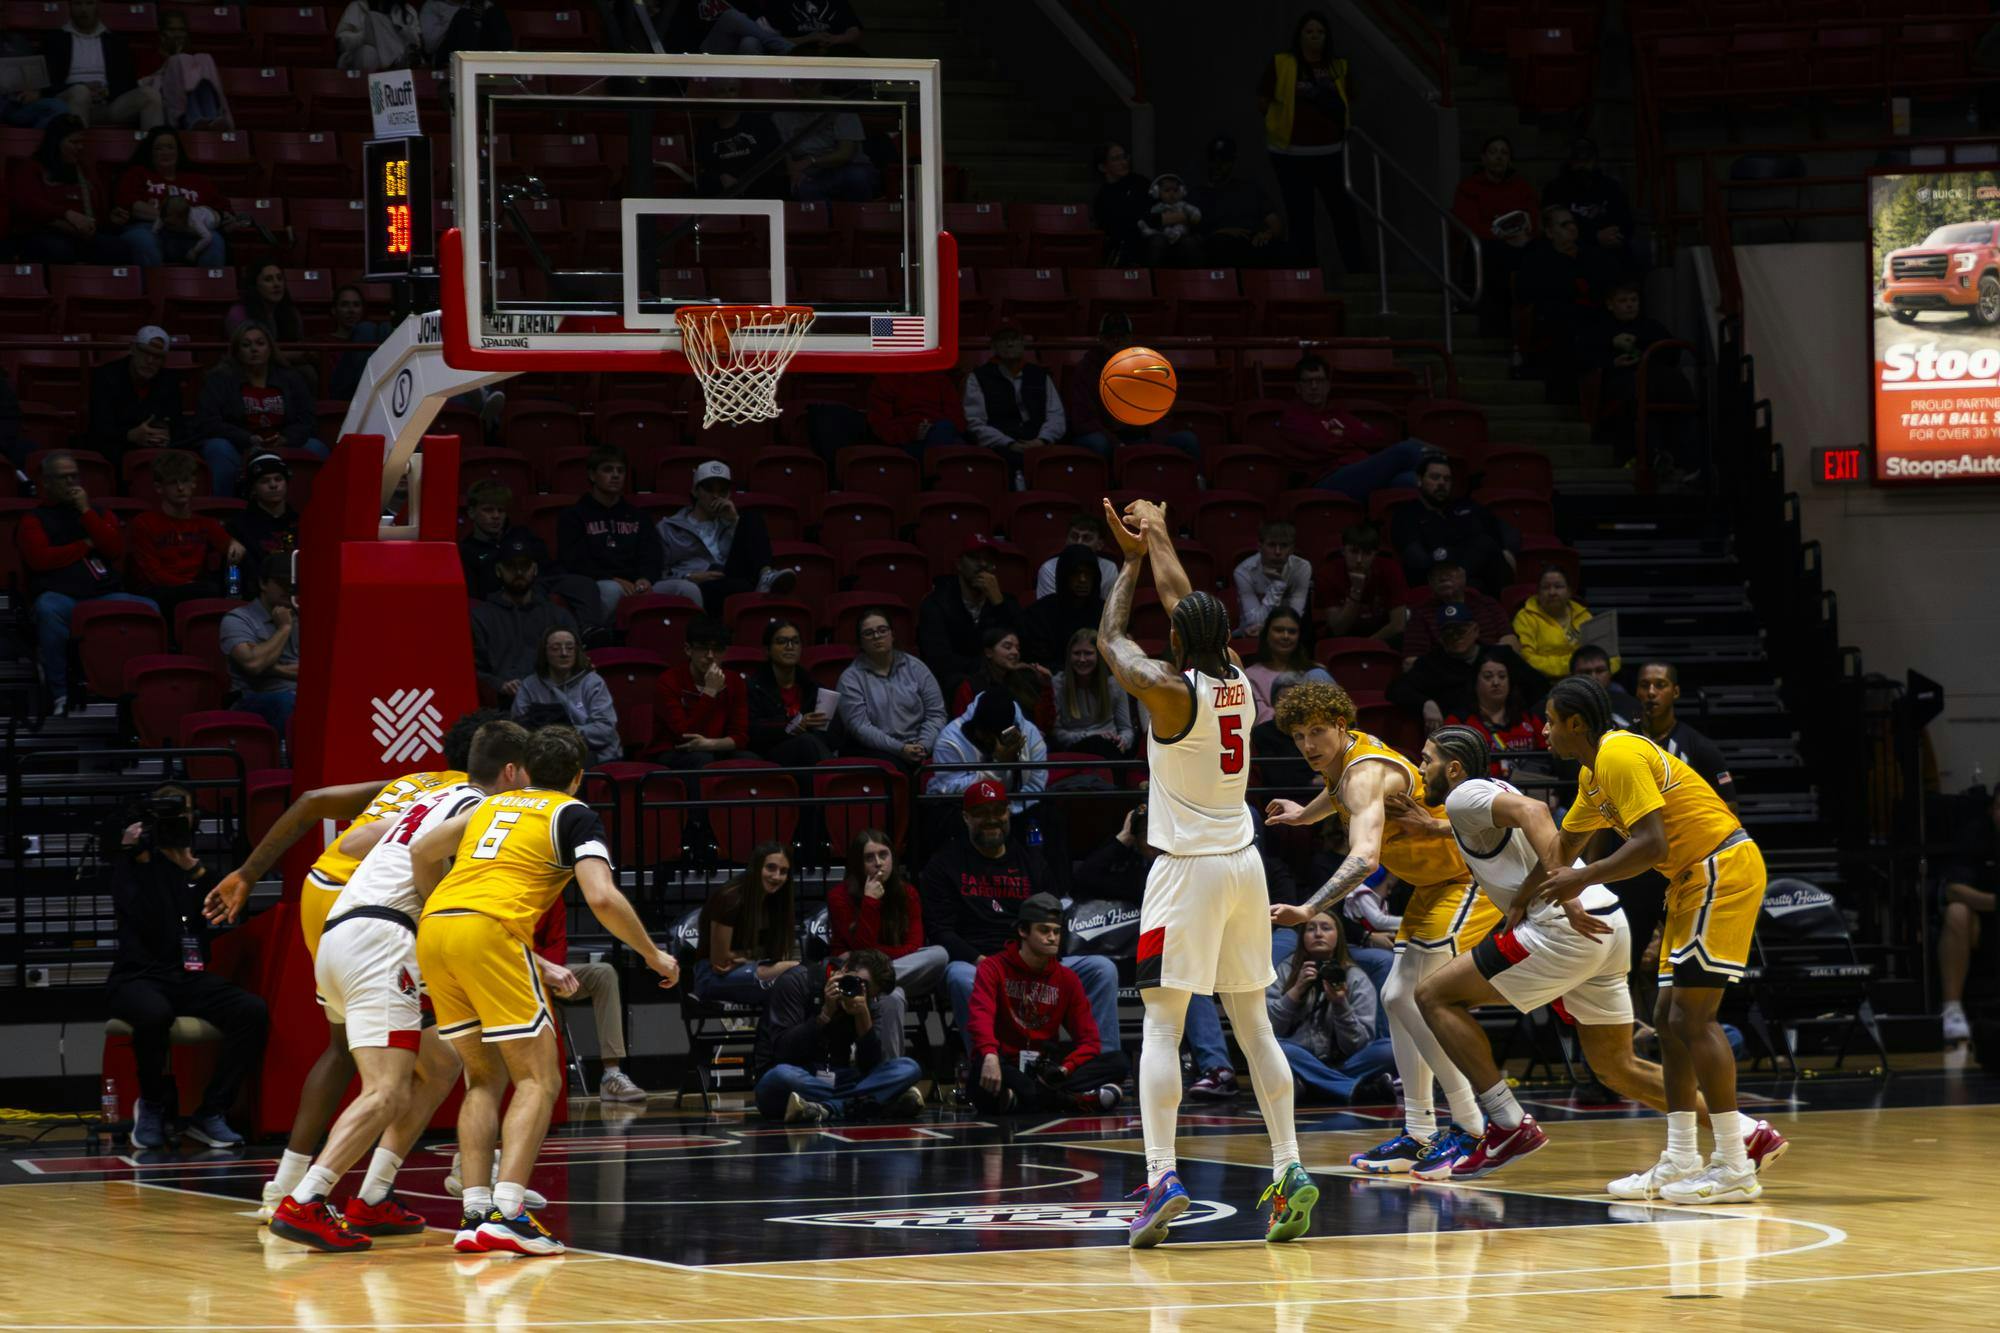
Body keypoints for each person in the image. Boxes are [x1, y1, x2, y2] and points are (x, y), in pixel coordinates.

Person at [1407, 727, 1787, 1183]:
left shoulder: (1463, 794)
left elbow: (1535, 812)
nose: (1418, 766)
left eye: (1425, 758)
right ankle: (1744, 1134)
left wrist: (1566, 894)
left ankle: (1506, 1123)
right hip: (1608, 920)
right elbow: (1530, 827)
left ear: (1453, 768)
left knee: (1433, 996)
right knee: (1615, 1065)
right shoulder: (1484, 795)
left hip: (1565, 924)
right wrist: (1433, 828)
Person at [1095, 496, 1316, 1248]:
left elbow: (1110, 637)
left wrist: (1126, 560)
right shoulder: (1239, 689)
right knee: (1253, 1026)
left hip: (1184, 869)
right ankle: (1289, 1171)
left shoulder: (1165, 688)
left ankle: (1161, 1174)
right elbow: (1183, 601)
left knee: (1164, 1022)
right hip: (1245, 866)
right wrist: (1157, 530)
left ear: (1179, 639)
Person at [197, 712, 501, 1219]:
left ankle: (291, 1186)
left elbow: (312, 803)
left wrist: (249, 873)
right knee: (452, 1034)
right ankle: (464, 1172)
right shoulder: (473, 800)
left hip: (327, 889)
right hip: (380, 906)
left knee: (354, 1047)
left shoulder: (414, 784)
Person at [410, 726, 680, 1256]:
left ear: (525, 769)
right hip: (489, 930)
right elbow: (601, 898)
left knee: (483, 1078)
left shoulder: (493, 804)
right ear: (578, 776)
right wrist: (652, 954)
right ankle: (509, 1213)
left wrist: (440, 905)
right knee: (538, 1077)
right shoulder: (573, 814)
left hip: (436, 928)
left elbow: (423, 849)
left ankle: (474, 1213)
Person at [269, 721, 533, 1251]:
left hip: (341, 929)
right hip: (383, 940)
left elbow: (361, 838)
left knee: (439, 1065)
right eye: (527, 774)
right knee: (385, 1089)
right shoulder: (483, 811)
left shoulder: (436, 795)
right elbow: (421, 861)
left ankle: (371, 1196)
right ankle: (304, 1200)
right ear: (511, 771)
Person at [1537, 675, 1777, 1204]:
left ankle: (1735, 1164)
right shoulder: (1592, 776)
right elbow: (1561, 846)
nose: (1546, 732)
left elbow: (1650, 844)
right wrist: (1519, 896)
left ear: (1576, 723)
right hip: (1690, 877)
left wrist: (1582, 878)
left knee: (1693, 1019)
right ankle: (1681, 1157)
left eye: (1552, 722)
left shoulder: (1619, 754)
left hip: (1720, 865)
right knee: (1669, 1020)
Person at [1266, 678, 1500, 1177]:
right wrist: (1305, 816)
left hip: (1465, 879)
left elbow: (1365, 856)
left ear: (1340, 726)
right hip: (1431, 886)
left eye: (1317, 732)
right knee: (1397, 998)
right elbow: (1339, 795)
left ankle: (1474, 1127)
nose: (1308, 745)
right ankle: (1419, 1132)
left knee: (1424, 1000)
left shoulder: (1364, 774)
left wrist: (1308, 910)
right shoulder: (1344, 765)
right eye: (1299, 735)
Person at [105, 786, 267, 1151]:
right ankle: (152, 1103)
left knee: (251, 1011)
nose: (181, 820)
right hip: (137, 976)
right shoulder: (132, 864)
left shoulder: (193, 868)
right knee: (154, 1013)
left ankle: (211, 1112)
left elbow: (218, 912)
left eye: (186, 813)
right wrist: (139, 856)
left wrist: (191, 869)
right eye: (172, 815)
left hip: (186, 976)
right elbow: (138, 913)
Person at [924, 780, 1120, 1052]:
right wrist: (983, 962)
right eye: (982, 812)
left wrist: (1037, 960)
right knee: (959, 976)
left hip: (1032, 961)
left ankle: (1101, 1065)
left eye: (998, 810)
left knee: (1101, 969)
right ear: (966, 817)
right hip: (978, 962)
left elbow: (1053, 915)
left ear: (1009, 812)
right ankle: (986, 1064)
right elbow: (940, 930)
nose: (992, 819)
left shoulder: (1031, 861)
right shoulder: (945, 864)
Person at [965, 893, 1132, 1114]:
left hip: (1046, 1070)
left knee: (1118, 1062)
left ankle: (1021, 1100)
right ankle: (1074, 1101)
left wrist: (1064, 1069)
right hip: (1005, 1064)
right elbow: (980, 1018)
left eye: (1056, 931)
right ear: (1023, 931)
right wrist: (989, 1054)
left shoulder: (1067, 978)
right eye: (1043, 930)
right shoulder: (993, 968)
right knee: (980, 1074)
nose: (1052, 937)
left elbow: (1090, 1040)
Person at [22, 451, 155, 715]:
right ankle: (61, 693)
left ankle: (140, 694)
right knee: (48, 609)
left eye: (74, 476)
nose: (71, 483)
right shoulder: (33, 519)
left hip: (102, 595)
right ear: (46, 482)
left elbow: (113, 548)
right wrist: (84, 545)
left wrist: (85, 512)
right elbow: (41, 559)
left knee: (149, 609)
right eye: (63, 477)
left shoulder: (97, 513)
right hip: (61, 596)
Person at [754, 948, 925, 1123]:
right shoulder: (797, 981)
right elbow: (783, 1052)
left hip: (839, 1077)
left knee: (909, 1067)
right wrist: (824, 1015)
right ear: (843, 970)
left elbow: (871, 1067)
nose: (859, 991)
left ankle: (828, 1108)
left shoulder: (866, 1001)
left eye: (868, 992)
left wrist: (863, 1018)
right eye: (858, 983)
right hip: (798, 1076)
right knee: (780, 1076)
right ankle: (868, 1101)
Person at [1257, 10, 1360, 270]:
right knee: (1300, 217)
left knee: (1344, 214)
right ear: (1299, 35)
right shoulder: (1282, 63)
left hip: (1331, 152)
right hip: (1290, 154)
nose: (1315, 37)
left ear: (1327, 36)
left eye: (1320, 32)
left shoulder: (1339, 66)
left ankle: (1358, 271)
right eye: (1309, 31)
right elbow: (1263, 101)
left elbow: (1350, 100)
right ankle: (1307, 274)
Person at [1268, 909, 1396, 1104]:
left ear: (1338, 937)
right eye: (1311, 929)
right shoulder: (1286, 971)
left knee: (1390, 1049)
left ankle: (1314, 1085)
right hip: (1300, 1057)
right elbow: (1270, 1029)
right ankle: (1354, 1089)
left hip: (1343, 1061)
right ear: (1303, 937)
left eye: (1326, 928)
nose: (1318, 933)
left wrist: (1340, 1004)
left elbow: (1358, 1045)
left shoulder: (1355, 978)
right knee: (1274, 1047)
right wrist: (1296, 991)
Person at [531, 895, 649, 1103]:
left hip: (547, 971)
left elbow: (557, 942)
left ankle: (611, 1074)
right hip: (511, 972)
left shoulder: (551, 893)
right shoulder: (502, 890)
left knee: (603, 974)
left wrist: (554, 975)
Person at [1580, 281, 1701, 476]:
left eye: (1634, 300)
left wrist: (1642, 345)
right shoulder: (1599, 328)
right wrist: (1612, 361)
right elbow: (1585, 357)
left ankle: (1688, 459)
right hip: (1622, 381)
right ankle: (1654, 455)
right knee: (1644, 397)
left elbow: (1672, 354)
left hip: (1658, 381)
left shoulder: (1651, 326)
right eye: (1623, 300)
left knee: (1677, 392)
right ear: (1610, 304)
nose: (1630, 305)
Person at [193, 320, 326, 497]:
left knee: (317, 448)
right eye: (246, 345)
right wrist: (247, 438)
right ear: (237, 351)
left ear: (270, 348)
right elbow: (208, 421)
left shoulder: (291, 378)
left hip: (282, 441)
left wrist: (286, 438)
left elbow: (307, 419)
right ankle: (225, 511)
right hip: (239, 444)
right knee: (218, 447)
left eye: (260, 343)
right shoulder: (220, 379)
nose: (254, 349)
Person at [829, 829, 949, 1004]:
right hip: (854, 969)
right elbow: (864, 948)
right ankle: (871, 984)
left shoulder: (908, 893)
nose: (878, 863)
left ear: (892, 857)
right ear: (857, 864)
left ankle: (867, 984)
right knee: (893, 996)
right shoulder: (839, 897)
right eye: (869, 858)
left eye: (883, 855)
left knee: (939, 954)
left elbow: (914, 946)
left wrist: (864, 956)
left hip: (888, 969)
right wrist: (870, 901)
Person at [655, 459, 790, 612]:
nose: (716, 496)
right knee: (741, 587)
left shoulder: (730, 522)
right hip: (701, 584)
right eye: (709, 489)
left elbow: (745, 559)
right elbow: (658, 574)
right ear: (695, 491)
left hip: (731, 575)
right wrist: (689, 576)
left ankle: (766, 575)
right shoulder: (668, 528)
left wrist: (734, 521)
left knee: (752, 518)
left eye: (722, 491)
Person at [1062, 313, 1200, 462]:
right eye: (1110, 336)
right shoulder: (1087, 369)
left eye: (1121, 336)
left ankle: (1198, 481)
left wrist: (1154, 440)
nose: (1116, 340)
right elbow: (1084, 420)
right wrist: (1116, 443)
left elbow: (1161, 412)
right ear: (1101, 339)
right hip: (1106, 437)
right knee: (1099, 443)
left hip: (1141, 437)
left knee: (1187, 439)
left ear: (1130, 338)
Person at [124, 450, 244, 620]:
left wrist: (234, 548)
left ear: (194, 483)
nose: (180, 488)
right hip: (159, 590)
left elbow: (232, 548)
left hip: (197, 588)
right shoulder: (144, 522)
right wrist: (188, 585)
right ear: (159, 488)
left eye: (186, 481)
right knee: (208, 590)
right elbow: (153, 573)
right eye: (173, 483)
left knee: (232, 575)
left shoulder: (205, 523)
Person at [460, 480, 600, 624]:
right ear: (471, 512)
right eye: (488, 510)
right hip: (504, 593)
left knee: (584, 584)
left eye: (501, 510)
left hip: (541, 582)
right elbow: (474, 595)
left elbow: (548, 566)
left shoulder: (522, 534)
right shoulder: (467, 550)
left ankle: (591, 632)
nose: (496, 516)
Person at [1515, 205, 1617, 397]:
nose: (1572, 228)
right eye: (1564, 224)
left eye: (1573, 223)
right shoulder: (1538, 260)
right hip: (1559, 325)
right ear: (1550, 232)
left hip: (1594, 319)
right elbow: (1529, 295)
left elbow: (1607, 288)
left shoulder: (1593, 256)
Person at [556, 446, 667, 618]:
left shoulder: (639, 516)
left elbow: (652, 554)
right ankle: (602, 640)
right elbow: (575, 561)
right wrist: (612, 578)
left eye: (620, 470)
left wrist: (646, 578)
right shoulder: (573, 516)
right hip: (598, 582)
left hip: (638, 583)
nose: (615, 475)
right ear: (592, 475)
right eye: (608, 469)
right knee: (611, 589)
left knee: (684, 589)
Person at [10, 114, 134, 263]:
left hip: (80, 236)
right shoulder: (32, 167)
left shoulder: (84, 169)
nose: (80, 147)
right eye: (74, 142)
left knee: (118, 248)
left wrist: (110, 218)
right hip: (44, 233)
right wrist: (66, 214)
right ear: (56, 142)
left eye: (82, 142)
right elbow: (28, 204)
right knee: (58, 250)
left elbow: (95, 216)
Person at [836, 608, 947, 772]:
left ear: (892, 635)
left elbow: (936, 714)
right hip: (876, 750)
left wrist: (924, 745)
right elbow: (860, 727)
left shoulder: (917, 668)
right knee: (898, 768)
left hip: (920, 744)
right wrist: (900, 749)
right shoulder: (850, 679)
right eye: (868, 633)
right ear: (860, 642)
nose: (876, 636)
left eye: (882, 630)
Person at [1451, 135, 1540, 336]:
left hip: (1519, 242)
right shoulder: (1469, 187)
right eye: (1493, 152)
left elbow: (1532, 217)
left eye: (1504, 153)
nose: (1498, 157)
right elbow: (1467, 223)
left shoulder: (1521, 187)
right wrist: (1502, 236)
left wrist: (1524, 235)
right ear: (1483, 158)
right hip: (1487, 246)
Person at [1389, 453, 1517, 592]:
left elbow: (1507, 530)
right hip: (1436, 582)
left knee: (1486, 558)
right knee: (1484, 545)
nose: (1442, 483)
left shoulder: (1463, 507)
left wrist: (1506, 550)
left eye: (1447, 479)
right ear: (1419, 480)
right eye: (1435, 477)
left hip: (1475, 581)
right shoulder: (1407, 514)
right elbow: (1417, 561)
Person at [472, 539, 579, 704]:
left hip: (552, 703)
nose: (519, 571)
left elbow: (576, 662)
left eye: (525, 565)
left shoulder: (558, 616)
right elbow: (472, 669)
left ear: (534, 569)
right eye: (511, 566)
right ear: (498, 570)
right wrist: (500, 685)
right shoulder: (480, 617)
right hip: (500, 706)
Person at [916, 532, 1021, 701]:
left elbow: (1019, 645)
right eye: (974, 558)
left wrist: (999, 605)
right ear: (959, 564)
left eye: (988, 559)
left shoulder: (1006, 602)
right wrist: (990, 667)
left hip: (1001, 682)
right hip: (955, 685)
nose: (983, 564)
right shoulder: (936, 604)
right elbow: (940, 660)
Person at [694, 842, 801, 1005]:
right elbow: (719, 963)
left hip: (756, 968)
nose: (777, 876)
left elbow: (779, 954)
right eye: (770, 868)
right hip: (712, 977)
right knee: (796, 972)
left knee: (797, 981)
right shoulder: (730, 899)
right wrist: (755, 955)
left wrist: (744, 957)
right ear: (756, 868)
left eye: (783, 871)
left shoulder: (778, 903)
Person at [113, 126, 224, 267]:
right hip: (147, 229)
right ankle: (153, 287)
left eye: (170, 147)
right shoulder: (136, 174)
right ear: (150, 153)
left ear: (178, 151)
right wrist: (174, 217)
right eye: (159, 148)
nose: (165, 152)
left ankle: (207, 288)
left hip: (189, 233)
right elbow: (130, 204)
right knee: (144, 241)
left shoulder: (197, 180)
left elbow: (220, 209)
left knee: (214, 240)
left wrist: (220, 216)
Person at [42, 0, 162, 129]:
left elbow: (128, 82)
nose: (83, 9)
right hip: (69, 102)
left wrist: (106, 92)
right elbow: (47, 83)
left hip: (107, 102)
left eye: (89, 3)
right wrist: (83, 87)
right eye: (78, 4)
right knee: (80, 92)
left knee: (150, 95)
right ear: (69, 7)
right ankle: (77, 145)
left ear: (97, 6)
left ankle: (155, 145)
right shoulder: (54, 40)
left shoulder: (116, 42)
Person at [1632, 661, 1736, 810]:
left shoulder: (1701, 747)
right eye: (1644, 685)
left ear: (1675, 692)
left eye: (1660, 685)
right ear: (1637, 691)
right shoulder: (1623, 740)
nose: (1651, 692)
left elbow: (1729, 805)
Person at [1940, 790, 2000, 1044]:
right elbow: (1953, 889)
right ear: (1991, 810)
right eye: (1999, 807)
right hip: (1985, 920)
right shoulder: (1976, 836)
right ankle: (1952, 1010)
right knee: (1956, 912)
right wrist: (1994, 903)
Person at [510, 626, 619, 765]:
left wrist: (566, 734)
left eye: (570, 648)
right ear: (545, 653)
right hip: (542, 754)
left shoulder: (593, 682)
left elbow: (605, 729)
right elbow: (517, 729)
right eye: (555, 648)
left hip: (589, 752)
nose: (564, 653)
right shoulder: (529, 685)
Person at [649, 616, 747, 768]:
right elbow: (685, 735)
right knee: (701, 759)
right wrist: (710, 692)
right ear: (688, 649)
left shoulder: (734, 681)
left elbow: (740, 737)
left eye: (717, 649)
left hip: (714, 747)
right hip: (673, 751)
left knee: (749, 759)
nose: (710, 656)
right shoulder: (668, 681)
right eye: (703, 648)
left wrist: (710, 744)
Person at [963, 327, 1065, 467]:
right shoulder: (978, 377)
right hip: (1001, 443)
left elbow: (1056, 416)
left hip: (1038, 439)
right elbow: (975, 422)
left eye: (1014, 339)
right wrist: (1008, 443)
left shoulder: (1040, 374)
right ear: (993, 345)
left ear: (1023, 343)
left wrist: (1042, 440)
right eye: (1004, 339)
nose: (1010, 344)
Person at [927, 689, 1048, 808]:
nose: (985, 739)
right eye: (983, 734)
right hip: (966, 812)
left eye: (992, 736)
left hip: (1015, 810)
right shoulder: (949, 740)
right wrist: (998, 767)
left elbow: (1035, 787)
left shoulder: (1030, 734)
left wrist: (1005, 813)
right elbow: (948, 791)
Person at [745, 618, 838, 766]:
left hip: (811, 753)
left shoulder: (812, 686)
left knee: (809, 742)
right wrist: (793, 726)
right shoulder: (754, 687)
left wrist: (815, 727)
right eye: (781, 641)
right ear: (767, 650)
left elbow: (834, 736)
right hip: (770, 755)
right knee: (806, 742)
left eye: (795, 642)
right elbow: (753, 731)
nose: (790, 647)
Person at [85, 325, 184, 464]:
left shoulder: (169, 381)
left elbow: (177, 424)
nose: (150, 361)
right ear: (133, 349)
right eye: (145, 353)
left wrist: (167, 435)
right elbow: (99, 428)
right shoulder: (105, 377)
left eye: (157, 356)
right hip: (117, 449)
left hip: (157, 450)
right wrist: (129, 435)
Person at [220, 567, 299, 738]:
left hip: (300, 693)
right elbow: (254, 664)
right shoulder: (238, 618)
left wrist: (273, 669)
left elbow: (322, 671)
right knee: (287, 702)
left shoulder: (304, 615)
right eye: (282, 583)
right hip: (253, 697)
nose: (289, 590)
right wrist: (284, 628)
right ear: (263, 583)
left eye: (293, 586)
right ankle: (283, 758)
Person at [1444, 652, 1546, 777]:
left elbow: (1547, 757)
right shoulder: (1459, 722)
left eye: (1502, 676)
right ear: (1475, 682)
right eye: (1488, 677)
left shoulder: (1529, 719)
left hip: (1528, 789)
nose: (1496, 682)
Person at [1400, 556, 1517, 664]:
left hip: (1490, 672)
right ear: (1430, 582)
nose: (1443, 577)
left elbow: (1511, 643)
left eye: (1449, 571)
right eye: (1436, 573)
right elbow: (1411, 662)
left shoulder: (1487, 604)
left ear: (1463, 575)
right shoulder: (1420, 614)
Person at [774, 82, 879, 202]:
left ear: (820, 84)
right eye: (799, 84)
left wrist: (811, 161)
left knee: (857, 177)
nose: (802, 89)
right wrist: (793, 172)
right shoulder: (781, 115)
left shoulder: (840, 107)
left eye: (810, 84)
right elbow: (784, 153)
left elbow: (845, 153)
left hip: (848, 168)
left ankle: (857, 219)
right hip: (810, 174)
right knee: (803, 188)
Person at [223, 264, 317, 395]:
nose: (277, 284)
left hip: (281, 369)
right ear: (255, 286)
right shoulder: (238, 313)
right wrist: (296, 356)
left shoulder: (291, 313)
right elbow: (247, 353)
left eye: (279, 278)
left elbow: (298, 344)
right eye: (268, 279)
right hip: (248, 369)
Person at [1543, 137, 1636, 270]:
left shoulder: (1611, 187)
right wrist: (1595, 236)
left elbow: (1626, 222)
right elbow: (1551, 226)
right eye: (1577, 160)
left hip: (1611, 251)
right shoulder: (1555, 189)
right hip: (1571, 250)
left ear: (1595, 161)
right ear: (1570, 161)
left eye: (1587, 160)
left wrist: (1615, 236)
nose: (1582, 165)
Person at [1192, 133, 1282, 268]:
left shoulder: (1250, 189)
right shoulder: (1197, 195)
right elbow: (1190, 234)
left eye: (1223, 161)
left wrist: (1267, 234)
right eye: (1213, 160)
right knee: (1220, 245)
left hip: (1253, 243)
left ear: (1232, 162)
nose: (1217, 166)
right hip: (1219, 245)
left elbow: (1275, 223)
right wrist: (1221, 233)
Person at [1513, 565, 1613, 683]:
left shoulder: (1584, 616)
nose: (1552, 592)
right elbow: (1527, 660)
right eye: (1545, 587)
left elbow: (1610, 657)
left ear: (1569, 591)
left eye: (1558, 586)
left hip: (1586, 680)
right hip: (1542, 683)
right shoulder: (1525, 618)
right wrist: (1575, 666)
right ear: (1538, 593)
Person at [1050, 627, 1135, 759]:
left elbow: (1126, 729)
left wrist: (1122, 741)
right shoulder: (1058, 684)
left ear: (1099, 656)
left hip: (1109, 749)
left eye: (1088, 653)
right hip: (1075, 750)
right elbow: (1056, 732)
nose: (1082, 659)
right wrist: (1090, 737)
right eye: (1077, 653)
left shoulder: (1114, 684)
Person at [692, 76, 784, 198]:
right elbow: (704, 169)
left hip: (761, 194)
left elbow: (776, 159)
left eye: (732, 90)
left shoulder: (760, 124)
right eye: (721, 91)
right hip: (723, 197)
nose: (728, 95)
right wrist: (720, 178)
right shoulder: (706, 132)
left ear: (739, 94)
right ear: (714, 96)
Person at [1021, 544, 1106, 671]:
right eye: (1076, 573)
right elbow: (1038, 661)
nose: (1082, 579)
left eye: (1088, 573)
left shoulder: (1107, 613)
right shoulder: (1039, 614)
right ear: (1064, 576)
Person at [1243, 608, 1331, 729]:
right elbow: (1262, 720)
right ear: (1266, 633)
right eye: (1279, 630)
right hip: (1279, 735)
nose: (1286, 636)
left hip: (1321, 732)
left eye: (1292, 632)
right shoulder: (1250, 675)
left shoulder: (1314, 670)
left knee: (1318, 674)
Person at [1320, 521, 1408, 641]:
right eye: (1354, 552)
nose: (1359, 560)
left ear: (1375, 554)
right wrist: (1356, 591)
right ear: (1343, 551)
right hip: (1343, 639)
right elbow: (1338, 629)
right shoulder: (1329, 572)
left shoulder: (1391, 569)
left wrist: (1367, 645)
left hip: (1381, 635)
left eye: (1367, 553)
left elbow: (1398, 625)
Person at [1233, 520, 1312, 635]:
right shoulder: (1244, 572)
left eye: (1284, 545)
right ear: (1260, 546)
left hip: (1288, 633)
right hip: (1252, 636)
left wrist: (1278, 583)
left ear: (1292, 549)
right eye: (1271, 545)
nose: (1278, 552)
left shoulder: (1302, 568)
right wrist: (1278, 584)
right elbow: (1254, 622)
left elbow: (1295, 616)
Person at [865, 369, 966, 456]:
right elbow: (882, 426)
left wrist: (932, 430)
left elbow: (957, 420)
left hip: (943, 434)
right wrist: (913, 432)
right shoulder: (885, 381)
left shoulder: (941, 380)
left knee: (946, 432)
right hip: (905, 445)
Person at [327, 284, 391, 403]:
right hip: (344, 393)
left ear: (362, 310)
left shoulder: (374, 334)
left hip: (377, 387)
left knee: (386, 327)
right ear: (334, 311)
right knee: (366, 328)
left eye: (356, 305)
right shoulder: (323, 339)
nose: (351, 310)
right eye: (344, 305)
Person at [1090, 140, 1151, 266]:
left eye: (1124, 157)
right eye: (1116, 159)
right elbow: (1120, 225)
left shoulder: (1141, 182)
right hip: (1126, 243)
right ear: (1103, 167)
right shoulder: (1103, 197)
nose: (1124, 162)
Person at [1035, 511, 1118, 599]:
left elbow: (1109, 608)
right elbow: (1048, 608)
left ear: (1100, 545)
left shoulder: (1109, 568)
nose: (1079, 543)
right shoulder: (1049, 569)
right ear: (1066, 540)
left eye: (1086, 538)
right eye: (1074, 537)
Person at [1138, 170, 1203, 267]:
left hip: (1181, 234)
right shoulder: (1157, 207)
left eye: (1176, 190)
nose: (1172, 194)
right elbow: (1151, 219)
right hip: (1162, 234)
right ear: (1157, 192)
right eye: (1167, 190)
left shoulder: (1183, 205)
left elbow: (1195, 214)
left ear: (1182, 191)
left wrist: (1194, 216)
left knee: (1190, 242)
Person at [336, 0, 423, 73]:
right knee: (368, 51)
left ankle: (396, 62)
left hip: (396, 54)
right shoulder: (357, 6)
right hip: (359, 57)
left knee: (370, 52)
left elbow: (416, 44)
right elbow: (342, 43)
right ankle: (397, 62)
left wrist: (400, 30)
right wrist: (368, 33)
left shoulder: (407, 11)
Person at [1569, 644, 1640, 728]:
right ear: (1572, 676)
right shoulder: (1561, 707)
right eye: (1586, 672)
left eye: (1600, 671)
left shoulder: (1630, 705)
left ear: (1610, 673)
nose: (1593, 677)